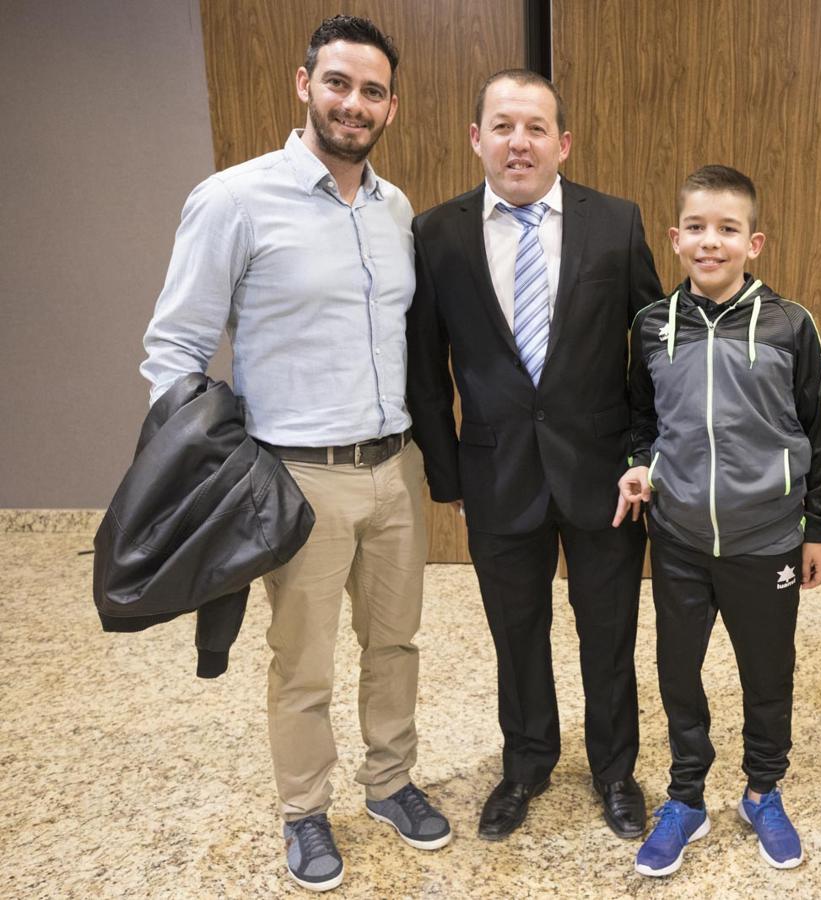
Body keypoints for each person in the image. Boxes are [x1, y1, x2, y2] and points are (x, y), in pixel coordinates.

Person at [141, 16, 448, 892]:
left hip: (396, 469)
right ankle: (304, 813)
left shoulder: (394, 210)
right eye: (340, 83)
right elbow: (174, 350)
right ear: (303, 85)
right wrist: (206, 469)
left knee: (396, 645)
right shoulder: (234, 199)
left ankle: (389, 784)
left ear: (392, 104)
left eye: (374, 90)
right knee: (303, 663)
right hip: (296, 478)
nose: (355, 103)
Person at [406, 70, 663, 842]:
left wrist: (645, 454)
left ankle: (615, 770)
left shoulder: (614, 223)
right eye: (503, 126)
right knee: (515, 633)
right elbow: (426, 365)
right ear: (477, 138)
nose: (520, 141)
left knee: (608, 630)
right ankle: (526, 765)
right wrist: (446, 473)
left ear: (563, 143)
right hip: (495, 474)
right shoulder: (437, 232)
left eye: (537, 128)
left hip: (603, 475)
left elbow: (651, 350)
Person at [612, 165, 821, 877]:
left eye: (729, 230)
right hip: (677, 537)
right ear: (676, 239)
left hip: (766, 538)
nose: (712, 242)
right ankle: (686, 798)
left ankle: (763, 791)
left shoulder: (791, 325)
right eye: (698, 229)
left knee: (767, 674)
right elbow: (640, 420)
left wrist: (818, 527)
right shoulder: (652, 326)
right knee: (679, 671)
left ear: (755, 242)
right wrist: (639, 463)